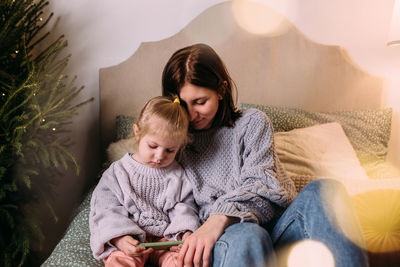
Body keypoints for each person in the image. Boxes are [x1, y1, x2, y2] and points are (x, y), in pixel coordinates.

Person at [162, 43, 369, 267]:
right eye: (183, 105)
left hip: (278, 231)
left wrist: (219, 216)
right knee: (248, 234)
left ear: (221, 90)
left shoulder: (252, 123)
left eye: (200, 102)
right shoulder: (171, 146)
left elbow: (263, 186)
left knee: (327, 190)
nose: (192, 114)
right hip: (228, 242)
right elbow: (165, 202)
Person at [89, 96, 200, 267]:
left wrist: (184, 234)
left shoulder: (178, 175)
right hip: (131, 240)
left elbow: (184, 207)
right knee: (120, 262)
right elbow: (105, 208)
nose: (159, 156)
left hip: (165, 242)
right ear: (137, 133)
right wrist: (119, 239)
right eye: (153, 146)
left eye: (170, 150)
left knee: (184, 262)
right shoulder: (118, 172)